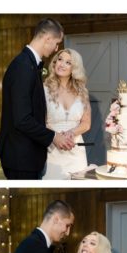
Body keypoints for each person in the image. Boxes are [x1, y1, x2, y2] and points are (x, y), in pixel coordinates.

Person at [0, 18, 75, 180]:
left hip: (28, 156)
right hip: (21, 159)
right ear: (47, 39)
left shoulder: (30, 64)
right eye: (56, 43)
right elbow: (22, 119)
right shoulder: (23, 67)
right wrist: (54, 137)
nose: (56, 49)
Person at [43, 48, 91, 179]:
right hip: (51, 150)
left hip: (76, 151)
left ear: (74, 68)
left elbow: (86, 123)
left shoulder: (82, 91)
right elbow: (40, 122)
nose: (62, 64)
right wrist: (57, 137)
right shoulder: (43, 89)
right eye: (60, 59)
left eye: (68, 62)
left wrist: (71, 133)